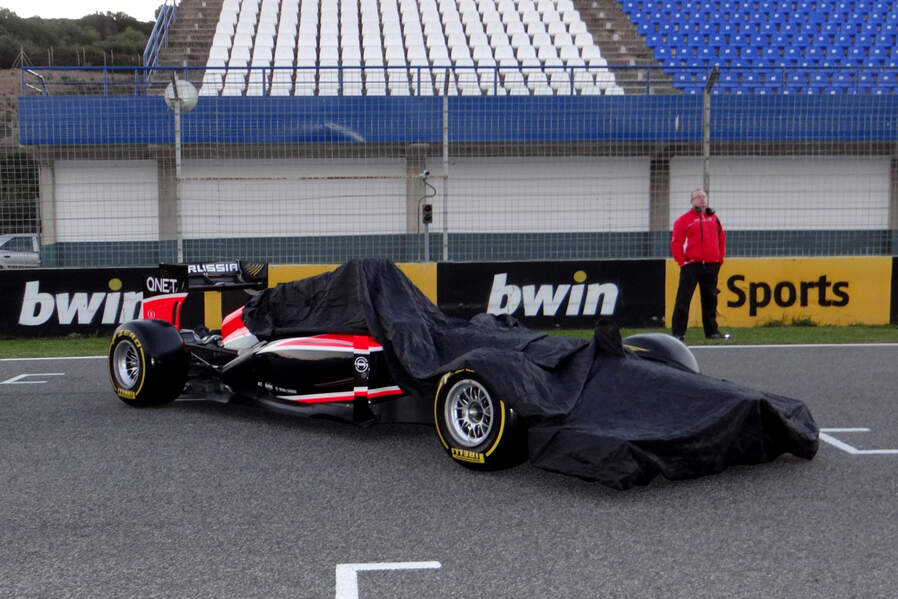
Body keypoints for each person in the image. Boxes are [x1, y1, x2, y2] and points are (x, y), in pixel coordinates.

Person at [670, 188, 729, 341]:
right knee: (683, 299)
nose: (701, 199)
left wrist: (719, 259)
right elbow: (676, 243)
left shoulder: (713, 218)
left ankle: (712, 331)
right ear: (692, 201)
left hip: (711, 265)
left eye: (703, 196)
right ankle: (678, 333)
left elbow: (721, 239)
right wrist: (683, 262)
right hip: (692, 265)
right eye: (697, 197)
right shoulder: (683, 220)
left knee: (710, 299)